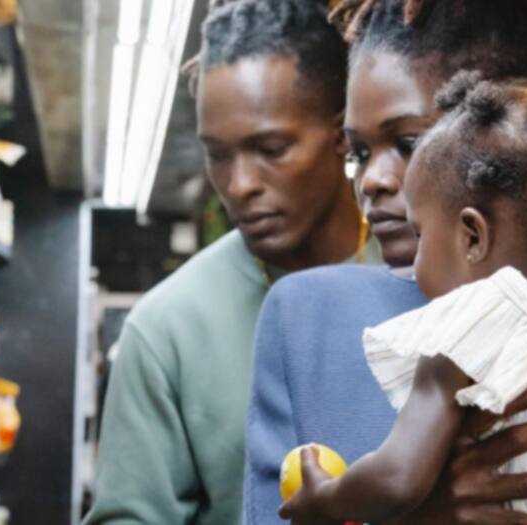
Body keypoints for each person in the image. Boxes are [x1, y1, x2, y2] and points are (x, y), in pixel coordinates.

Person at [245, 1, 527, 523]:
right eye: (356, 150)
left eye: (410, 143)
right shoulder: (306, 313)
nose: (373, 179)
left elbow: (389, 479)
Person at [82, 1, 382, 523]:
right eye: (218, 155)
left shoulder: (431, 274)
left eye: (270, 148)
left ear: (341, 137)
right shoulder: (166, 330)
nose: (240, 185)